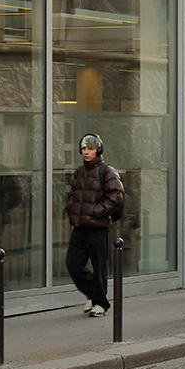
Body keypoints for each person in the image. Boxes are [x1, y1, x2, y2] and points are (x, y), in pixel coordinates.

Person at [64, 133, 124, 317]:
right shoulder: (79, 172)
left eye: (90, 148)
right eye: (84, 148)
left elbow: (117, 196)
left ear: (98, 150)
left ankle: (101, 304)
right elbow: (73, 194)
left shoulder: (107, 171)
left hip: (97, 227)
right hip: (80, 227)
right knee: (73, 264)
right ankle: (93, 293)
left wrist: (96, 212)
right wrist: (71, 208)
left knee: (99, 267)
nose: (86, 152)